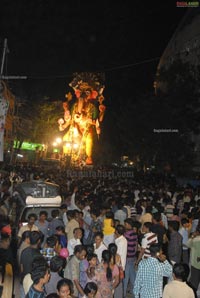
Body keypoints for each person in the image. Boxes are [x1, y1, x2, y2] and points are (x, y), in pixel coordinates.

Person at [187, 224, 200, 292]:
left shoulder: (195, 240)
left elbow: (187, 244)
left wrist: (192, 236)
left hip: (196, 263)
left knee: (194, 281)